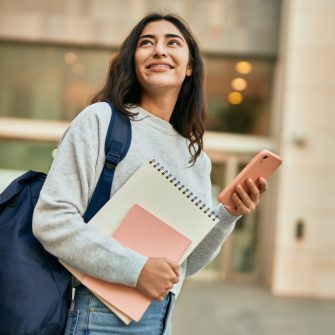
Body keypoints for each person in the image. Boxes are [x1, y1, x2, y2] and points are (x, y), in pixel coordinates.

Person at [33, 12, 267, 335]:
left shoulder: (195, 158)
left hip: (162, 320)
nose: (159, 50)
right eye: (147, 43)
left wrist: (228, 213)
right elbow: (51, 220)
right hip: (98, 317)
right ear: (133, 62)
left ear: (189, 67)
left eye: (173, 42)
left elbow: (187, 263)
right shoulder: (101, 121)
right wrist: (138, 269)